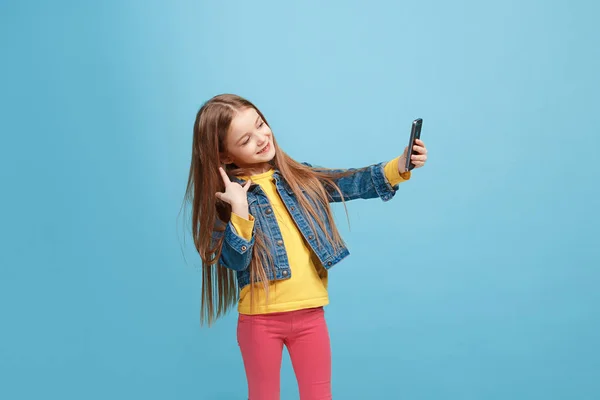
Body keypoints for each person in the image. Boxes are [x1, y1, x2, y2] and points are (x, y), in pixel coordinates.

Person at [185, 94, 428, 399]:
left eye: (260, 125)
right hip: (259, 321)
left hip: (311, 315)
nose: (262, 138)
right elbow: (234, 260)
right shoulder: (227, 201)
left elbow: (350, 182)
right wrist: (239, 210)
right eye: (246, 139)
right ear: (224, 156)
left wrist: (399, 166)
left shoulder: (297, 177)